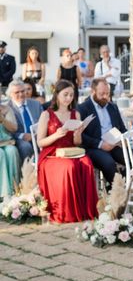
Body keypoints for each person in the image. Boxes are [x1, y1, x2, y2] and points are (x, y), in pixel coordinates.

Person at [36, 79, 98, 223]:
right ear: (56, 95)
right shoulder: (46, 114)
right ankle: (66, 212)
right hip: (51, 154)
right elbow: (40, 142)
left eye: (71, 95)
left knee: (87, 162)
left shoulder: (75, 114)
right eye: (65, 94)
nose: (69, 98)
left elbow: (77, 143)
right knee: (69, 166)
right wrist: (56, 135)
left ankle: (85, 210)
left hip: (71, 151)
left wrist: (77, 134)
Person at [77, 78, 127, 191]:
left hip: (114, 144)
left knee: (132, 159)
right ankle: (117, 193)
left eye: (107, 94)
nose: (105, 97)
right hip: (94, 147)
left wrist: (123, 139)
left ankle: (123, 187)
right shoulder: (82, 108)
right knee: (108, 163)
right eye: (102, 94)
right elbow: (81, 136)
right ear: (93, 91)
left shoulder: (112, 107)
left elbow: (122, 128)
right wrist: (101, 144)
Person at [7, 80, 43, 163]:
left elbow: (44, 121)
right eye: (17, 92)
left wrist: (37, 133)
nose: (21, 94)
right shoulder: (7, 108)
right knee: (25, 146)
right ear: (11, 95)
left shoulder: (36, 104)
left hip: (38, 135)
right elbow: (8, 130)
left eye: (22, 91)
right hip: (20, 138)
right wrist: (21, 135)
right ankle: (28, 172)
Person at [0, 102, 20, 199]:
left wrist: (3, 119)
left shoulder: (6, 109)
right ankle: (4, 193)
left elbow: (14, 128)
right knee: (1, 154)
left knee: (12, 151)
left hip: (7, 143)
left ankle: (14, 189)